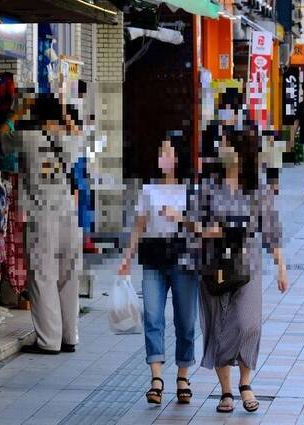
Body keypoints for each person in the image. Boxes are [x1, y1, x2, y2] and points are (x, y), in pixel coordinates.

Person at [189, 95, 288, 414]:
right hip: (214, 263)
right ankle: (227, 391)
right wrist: (209, 231)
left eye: (227, 144)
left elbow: (271, 226)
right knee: (218, 325)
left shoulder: (256, 186)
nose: (221, 148)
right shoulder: (208, 184)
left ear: (240, 152)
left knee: (248, 324)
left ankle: (246, 381)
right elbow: (192, 222)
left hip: (247, 263)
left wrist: (281, 266)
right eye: (221, 143)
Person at [118, 131, 198, 405]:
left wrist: (181, 217)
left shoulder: (190, 191)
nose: (162, 157)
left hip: (184, 258)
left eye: (167, 152)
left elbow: (201, 228)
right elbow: (139, 225)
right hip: (152, 257)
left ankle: (183, 375)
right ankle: (156, 377)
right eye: (161, 151)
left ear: (178, 157)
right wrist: (127, 256)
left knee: (185, 320)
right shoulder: (148, 190)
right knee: (153, 317)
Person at [2, 93, 84, 354]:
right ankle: (70, 337)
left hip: (42, 216)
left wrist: (17, 112)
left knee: (42, 276)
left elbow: (2, 136)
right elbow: (77, 130)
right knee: (68, 277)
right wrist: (64, 111)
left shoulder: (28, 137)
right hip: (68, 216)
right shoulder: (70, 141)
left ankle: (49, 341)